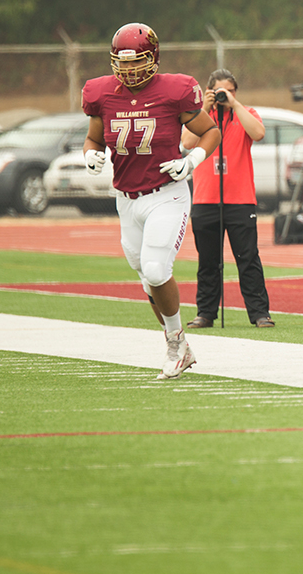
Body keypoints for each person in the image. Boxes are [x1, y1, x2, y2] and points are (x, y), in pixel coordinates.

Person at [82, 22, 220, 379]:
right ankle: (181, 346)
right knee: (147, 280)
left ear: (153, 59)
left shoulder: (176, 90)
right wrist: (90, 154)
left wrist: (191, 161)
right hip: (126, 199)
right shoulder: (102, 93)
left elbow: (210, 131)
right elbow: (94, 139)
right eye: (122, 62)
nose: (128, 70)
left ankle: (175, 343)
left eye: (136, 61)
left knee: (158, 270)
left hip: (166, 194)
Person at [182, 69, 275, 329]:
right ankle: (206, 313)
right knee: (208, 261)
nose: (225, 95)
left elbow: (257, 133)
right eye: (220, 91)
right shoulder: (201, 117)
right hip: (205, 200)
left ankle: (259, 313)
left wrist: (234, 104)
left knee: (248, 259)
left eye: (230, 91)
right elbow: (187, 141)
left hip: (240, 200)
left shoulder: (246, 113)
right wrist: (203, 107)